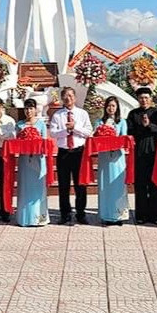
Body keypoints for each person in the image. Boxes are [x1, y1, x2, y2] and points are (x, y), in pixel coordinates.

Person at [50, 87, 93, 224]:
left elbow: (88, 132)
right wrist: (65, 130)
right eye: (65, 96)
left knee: (80, 185)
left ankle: (80, 213)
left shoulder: (82, 114)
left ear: (75, 98)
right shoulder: (57, 115)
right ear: (62, 98)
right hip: (63, 153)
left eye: (70, 95)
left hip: (79, 152)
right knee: (64, 185)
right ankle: (65, 214)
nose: (68, 98)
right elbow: (53, 133)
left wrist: (75, 128)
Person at [127, 87, 157, 224]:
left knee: (155, 183)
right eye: (141, 98)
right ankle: (141, 215)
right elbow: (130, 131)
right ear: (138, 99)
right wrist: (142, 127)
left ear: (151, 98)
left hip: (155, 151)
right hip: (139, 151)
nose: (144, 100)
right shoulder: (133, 114)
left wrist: (149, 125)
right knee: (141, 184)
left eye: (146, 97)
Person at [14, 99, 49, 227]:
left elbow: (45, 143)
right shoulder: (19, 125)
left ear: (35, 109)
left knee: (38, 188)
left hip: (38, 160)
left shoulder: (41, 124)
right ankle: (26, 218)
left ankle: (39, 217)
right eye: (26, 108)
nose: (29, 111)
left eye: (31, 108)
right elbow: (16, 143)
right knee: (25, 187)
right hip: (24, 161)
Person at [95, 96, 129, 225]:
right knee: (105, 186)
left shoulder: (122, 122)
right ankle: (106, 214)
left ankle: (119, 214)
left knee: (118, 185)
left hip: (117, 158)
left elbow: (123, 138)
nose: (111, 108)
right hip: (104, 158)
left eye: (113, 106)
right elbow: (96, 138)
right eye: (109, 105)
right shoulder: (99, 122)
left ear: (117, 108)